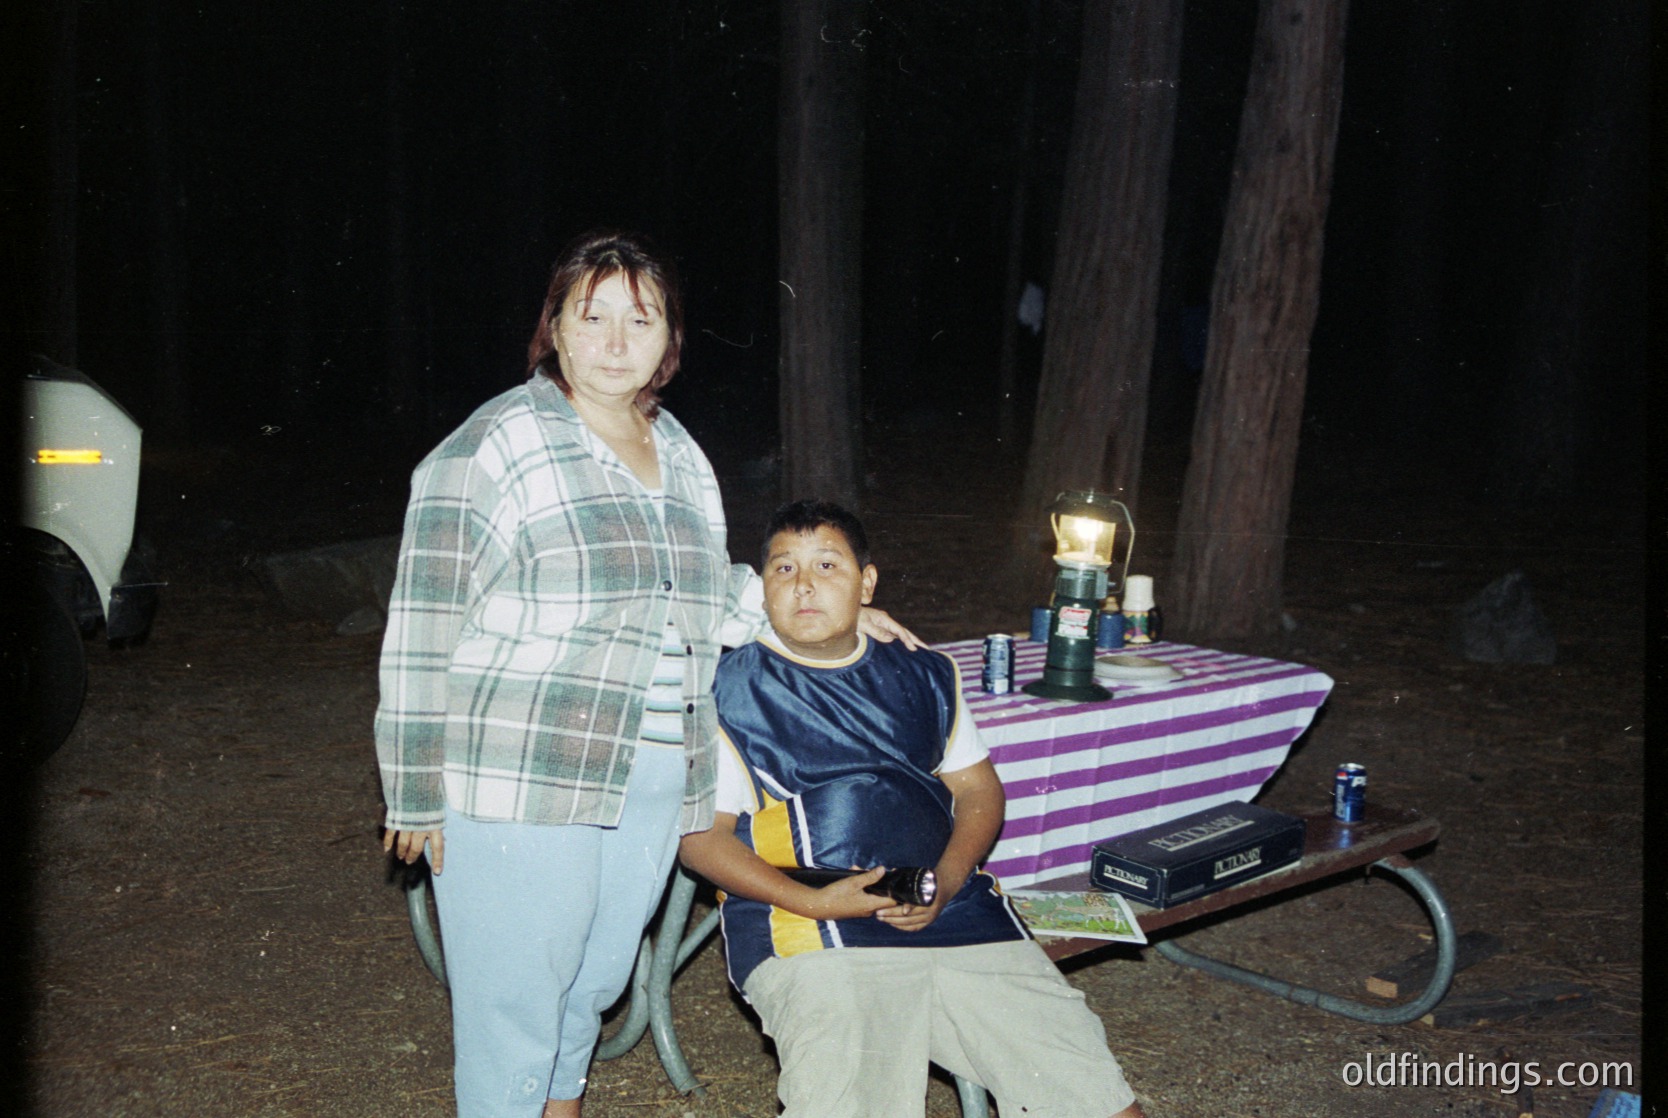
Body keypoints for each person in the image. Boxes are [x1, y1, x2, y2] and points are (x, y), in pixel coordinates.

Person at [374, 231, 916, 1118]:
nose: (616, 341)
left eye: (642, 318)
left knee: (590, 986)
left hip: (653, 775)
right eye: (592, 317)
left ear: (670, 339)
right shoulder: (496, 443)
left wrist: (829, 614)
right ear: (554, 327)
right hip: (523, 775)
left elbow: (707, 591)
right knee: (517, 1008)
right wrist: (414, 791)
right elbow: (421, 625)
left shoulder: (680, 453)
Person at [680, 499, 1146, 1118]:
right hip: (809, 921)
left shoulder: (923, 673)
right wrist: (815, 902)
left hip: (951, 907)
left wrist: (947, 881)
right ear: (761, 588)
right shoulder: (728, 692)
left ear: (867, 583)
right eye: (784, 569)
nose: (805, 586)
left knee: (1093, 1094)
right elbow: (700, 840)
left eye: (827, 565)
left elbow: (978, 790)